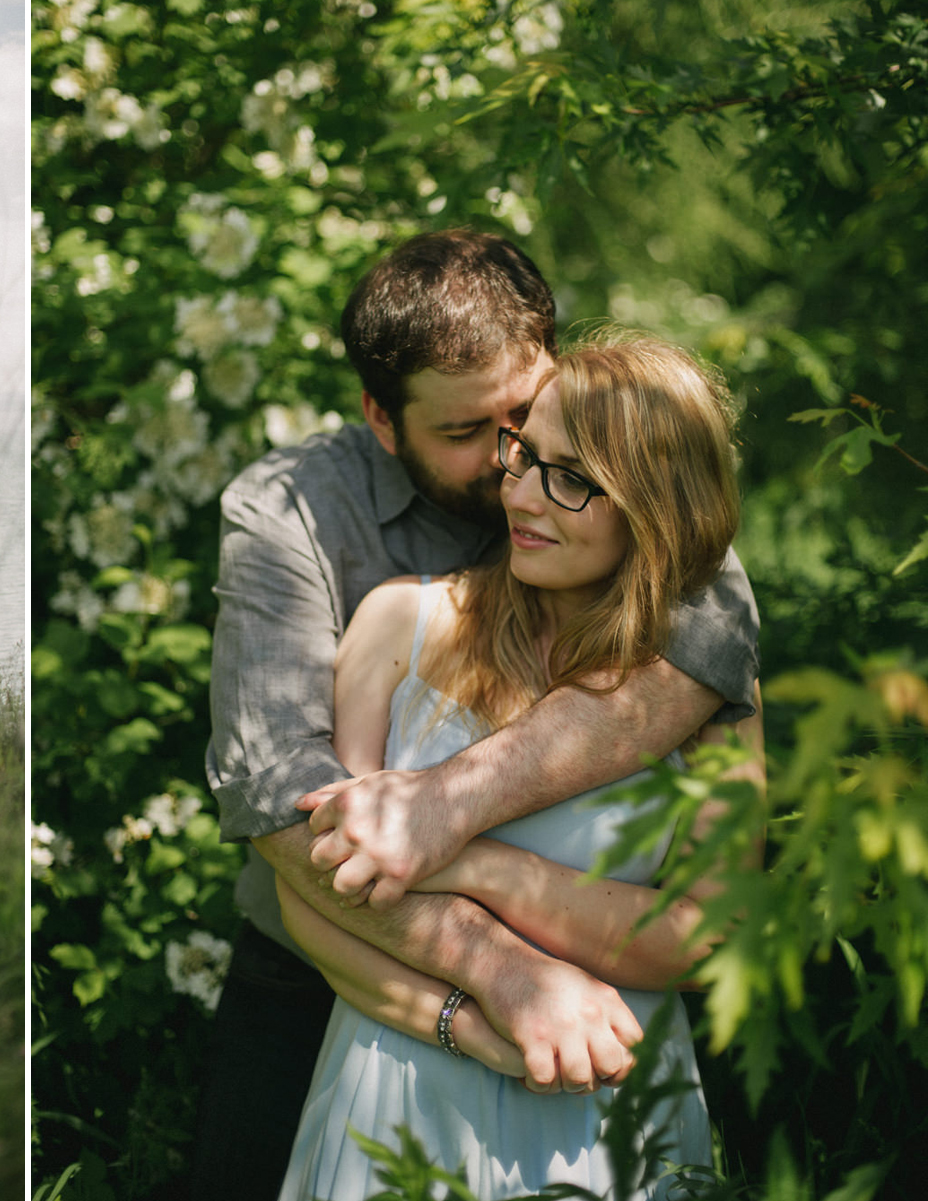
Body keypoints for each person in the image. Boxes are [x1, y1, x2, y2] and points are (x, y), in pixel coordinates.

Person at [192, 231, 759, 1201]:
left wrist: (444, 820)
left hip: (606, 1011)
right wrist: (488, 985)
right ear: (381, 415)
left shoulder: (633, 477)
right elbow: (288, 809)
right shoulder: (299, 522)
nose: (512, 469)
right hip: (337, 980)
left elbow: (706, 657)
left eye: (526, 419)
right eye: (474, 437)